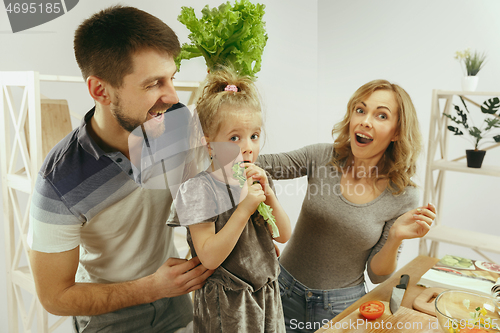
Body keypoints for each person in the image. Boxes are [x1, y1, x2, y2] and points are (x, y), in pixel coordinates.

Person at [27, 6, 212, 332]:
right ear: (100, 90)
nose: (171, 96)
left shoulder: (176, 125)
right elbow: (54, 296)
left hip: (177, 304)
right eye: (154, 83)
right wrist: (153, 287)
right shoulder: (58, 182)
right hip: (109, 317)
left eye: (172, 78)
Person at [257, 79, 436, 332]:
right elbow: (256, 163)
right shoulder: (321, 156)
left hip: (339, 307)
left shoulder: (403, 194)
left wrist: (395, 237)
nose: (365, 120)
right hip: (282, 290)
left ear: (397, 132)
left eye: (381, 115)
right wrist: (224, 131)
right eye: (360, 110)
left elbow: (378, 275)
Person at [168, 68, 292, 332]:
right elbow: (210, 257)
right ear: (209, 144)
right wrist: (244, 209)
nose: (248, 146)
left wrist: (268, 195)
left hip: (266, 294)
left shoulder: (258, 180)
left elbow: (283, 235)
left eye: (254, 136)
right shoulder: (199, 189)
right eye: (235, 137)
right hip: (227, 304)